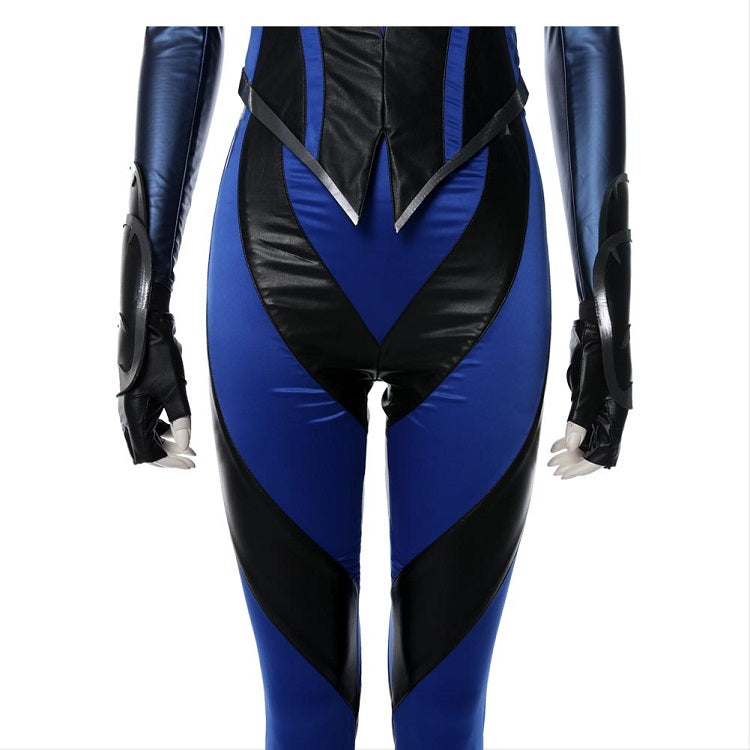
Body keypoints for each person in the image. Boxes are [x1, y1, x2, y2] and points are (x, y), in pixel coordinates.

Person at [116, 26, 633, 750]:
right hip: (279, 254)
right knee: (304, 712)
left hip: (480, 262)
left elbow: (582, 31)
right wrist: (141, 310)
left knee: (444, 712)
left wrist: (607, 324)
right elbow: (183, 28)